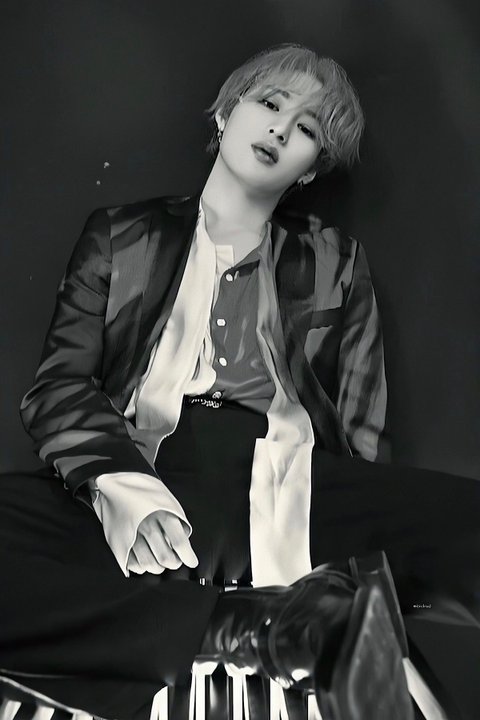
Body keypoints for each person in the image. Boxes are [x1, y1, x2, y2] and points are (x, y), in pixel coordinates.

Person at [0, 43, 478, 720]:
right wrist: (119, 485)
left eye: (307, 128)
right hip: (149, 468)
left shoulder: (336, 260)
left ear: (312, 168)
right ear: (226, 114)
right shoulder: (122, 233)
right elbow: (59, 387)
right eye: (270, 104)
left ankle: (292, 613)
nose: (281, 129)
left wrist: (352, 548)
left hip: (288, 479)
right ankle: (243, 627)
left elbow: (361, 420)